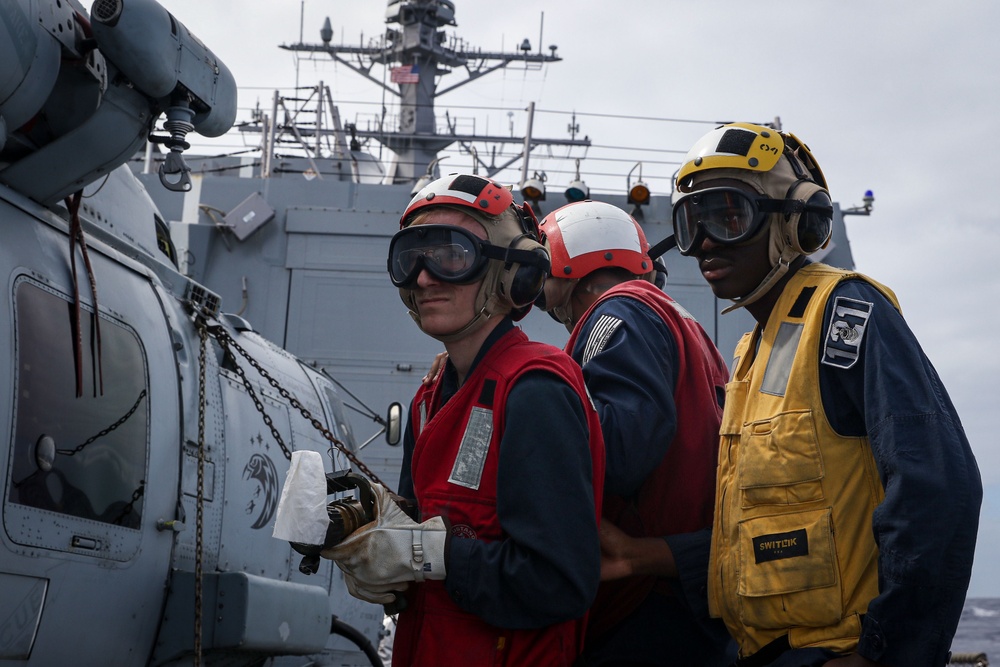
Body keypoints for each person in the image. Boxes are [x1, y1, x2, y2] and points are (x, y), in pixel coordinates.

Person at [663, 121, 981, 667]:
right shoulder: (749, 354)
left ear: (799, 223)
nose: (707, 242)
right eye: (693, 223)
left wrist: (886, 654)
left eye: (730, 215)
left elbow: (939, 487)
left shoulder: (847, 314)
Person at [326, 173, 606, 667]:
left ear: (513, 274)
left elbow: (558, 583)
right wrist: (372, 536)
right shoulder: (428, 399)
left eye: (452, 255)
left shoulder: (535, 390)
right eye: (410, 259)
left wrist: (430, 553)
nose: (425, 278)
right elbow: (421, 525)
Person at [535, 200, 736, 667]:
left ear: (567, 262)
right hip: (686, 589)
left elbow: (620, 450)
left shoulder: (616, 313)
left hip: (644, 607)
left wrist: (531, 401)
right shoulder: (681, 323)